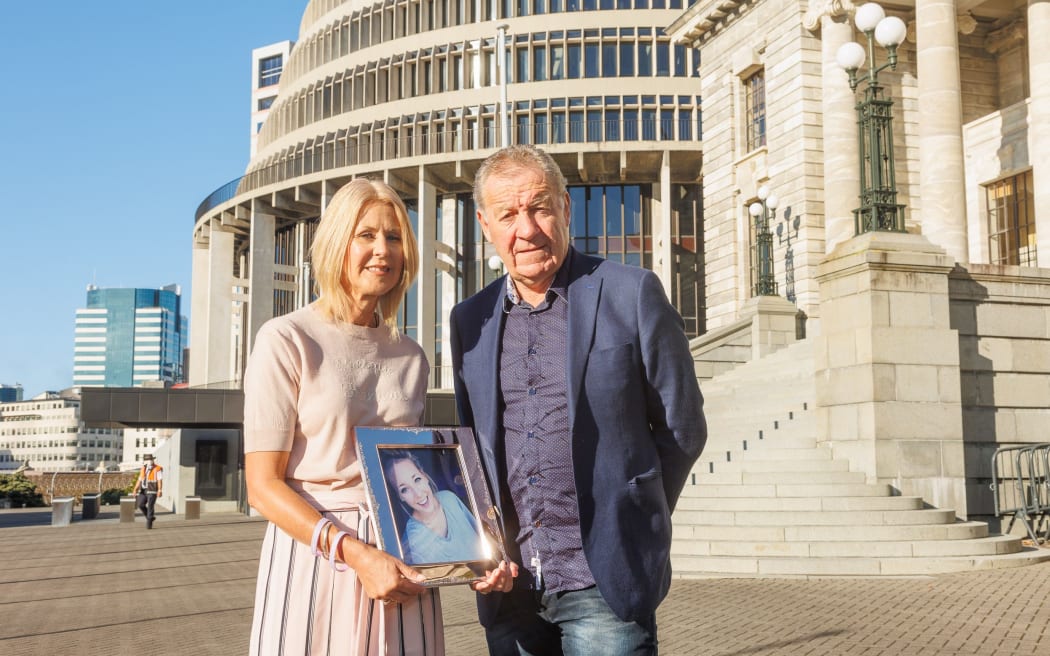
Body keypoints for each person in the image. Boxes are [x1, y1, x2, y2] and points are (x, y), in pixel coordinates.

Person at [450, 145, 707, 655]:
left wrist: (634, 514)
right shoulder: (468, 321)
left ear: (565, 208)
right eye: (508, 214)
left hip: (602, 583)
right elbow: (471, 449)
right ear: (485, 225)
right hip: (512, 588)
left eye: (539, 207)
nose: (526, 229)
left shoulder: (631, 293)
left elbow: (682, 428)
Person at [243, 178, 512, 656]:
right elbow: (263, 487)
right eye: (365, 235)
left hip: (406, 556)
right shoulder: (286, 339)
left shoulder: (410, 356)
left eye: (393, 238)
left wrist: (476, 553)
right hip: (318, 555)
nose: (382, 250)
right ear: (335, 243)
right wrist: (357, 554)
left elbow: (425, 472)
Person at [383, 450, 487, 565]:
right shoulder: (413, 544)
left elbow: (485, 541)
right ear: (400, 496)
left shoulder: (449, 498)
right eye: (404, 489)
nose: (418, 494)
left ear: (424, 476)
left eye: (417, 479)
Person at [132, 454, 163, 529]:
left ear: (153, 460)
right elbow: (139, 479)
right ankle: (150, 517)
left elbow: (160, 480)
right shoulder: (143, 468)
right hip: (143, 490)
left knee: (150, 506)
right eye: (147, 460)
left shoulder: (157, 468)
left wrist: (160, 490)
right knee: (140, 504)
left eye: (151, 459)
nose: (149, 461)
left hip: (152, 490)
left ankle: (149, 524)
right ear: (145, 461)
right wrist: (135, 489)